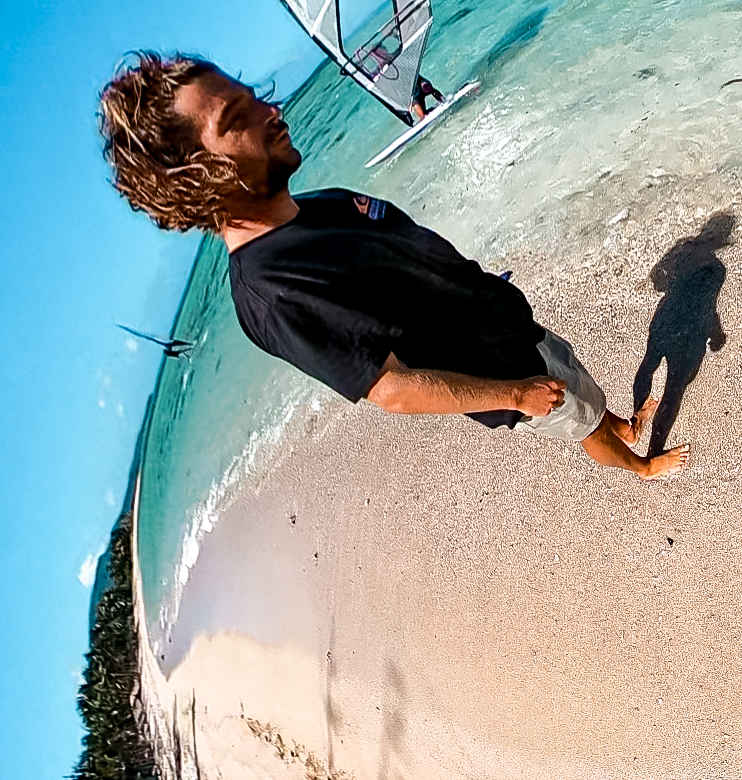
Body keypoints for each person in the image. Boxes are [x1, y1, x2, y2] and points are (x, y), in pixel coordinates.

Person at [97, 55, 685, 476]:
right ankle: (638, 466)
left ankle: (623, 425)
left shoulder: (317, 204)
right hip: (504, 367)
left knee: (583, 386)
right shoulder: (274, 291)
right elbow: (393, 389)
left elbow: (408, 265)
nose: (271, 112)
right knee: (581, 422)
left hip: (506, 320)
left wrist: (479, 288)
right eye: (235, 119)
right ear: (195, 179)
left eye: (254, 98)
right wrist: (516, 394)